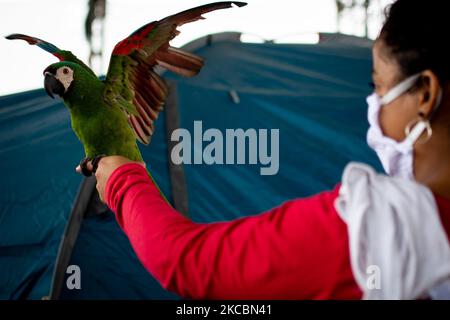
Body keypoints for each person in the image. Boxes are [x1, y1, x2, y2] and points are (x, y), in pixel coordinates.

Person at [77, 0, 450, 299]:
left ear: (426, 95)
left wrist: (122, 180)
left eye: (379, 86)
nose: (373, 103)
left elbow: (188, 263)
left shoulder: (387, 224)